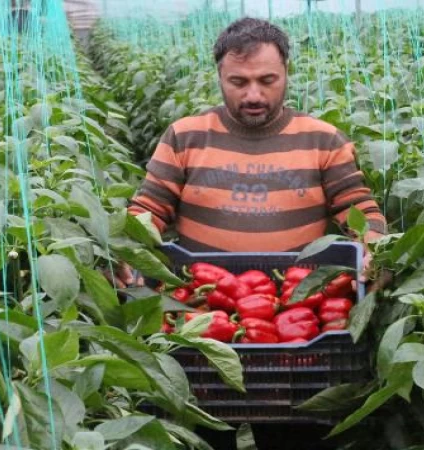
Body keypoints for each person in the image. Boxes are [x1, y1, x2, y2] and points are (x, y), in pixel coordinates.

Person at [112, 17, 387, 289]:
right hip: (203, 302)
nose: (254, 95)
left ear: (286, 72)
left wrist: (374, 247)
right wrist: (125, 250)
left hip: (298, 303)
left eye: (267, 80)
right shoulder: (185, 137)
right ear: (220, 76)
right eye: (239, 82)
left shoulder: (324, 141)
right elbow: (149, 210)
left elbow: (359, 211)